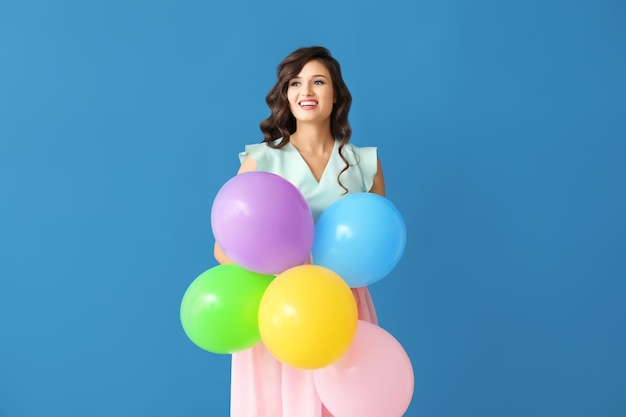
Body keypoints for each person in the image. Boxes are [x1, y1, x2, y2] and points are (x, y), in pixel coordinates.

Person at [214, 46, 385, 417]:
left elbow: (376, 241)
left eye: (318, 82)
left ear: (336, 93)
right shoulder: (261, 160)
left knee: (344, 400)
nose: (306, 91)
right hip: (282, 308)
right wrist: (284, 275)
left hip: (341, 303)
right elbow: (224, 249)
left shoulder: (364, 163)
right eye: (296, 83)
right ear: (286, 95)